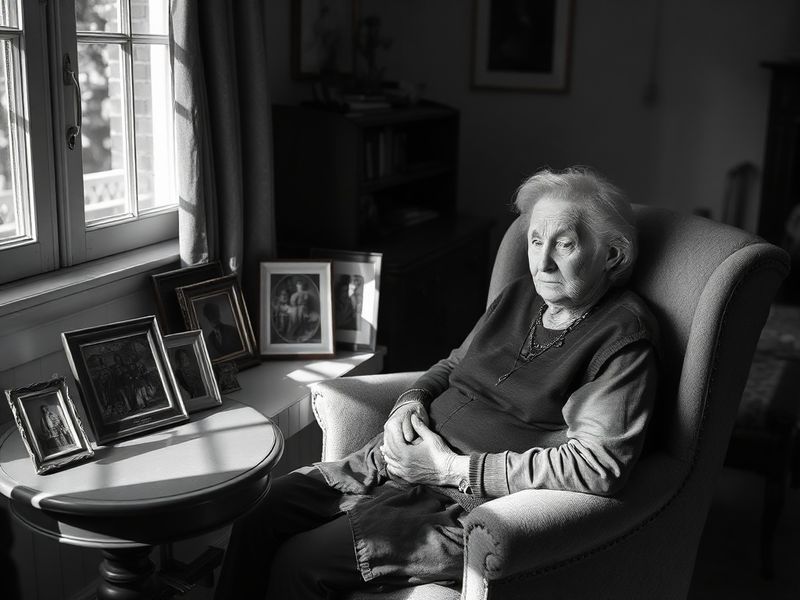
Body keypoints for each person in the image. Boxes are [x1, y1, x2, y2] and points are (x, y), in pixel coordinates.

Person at [214, 167, 660, 599]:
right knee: (259, 511)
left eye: (563, 245)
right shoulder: (521, 295)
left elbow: (598, 466)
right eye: (536, 240)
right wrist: (408, 404)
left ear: (613, 256)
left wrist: (451, 469)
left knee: (302, 562)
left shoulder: (622, 338)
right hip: (388, 466)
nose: (542, 262)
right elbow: (454, 364)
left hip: (457, 506)